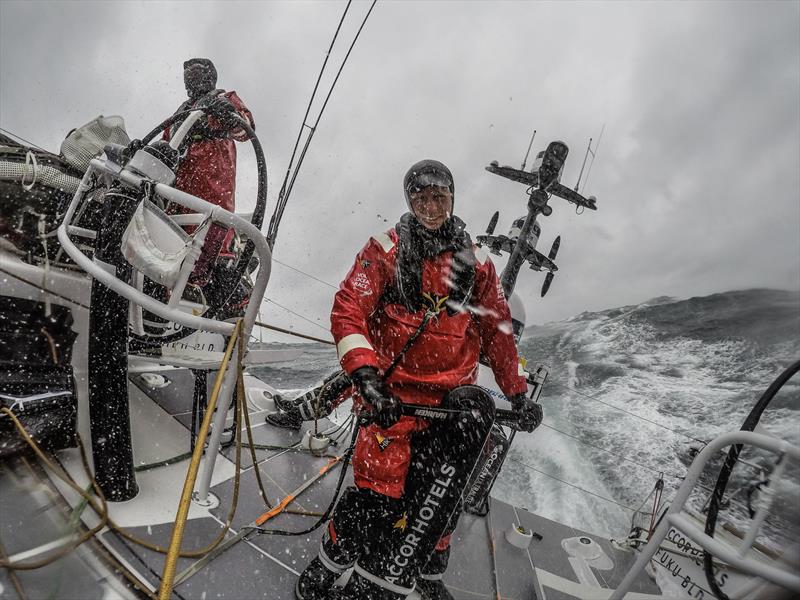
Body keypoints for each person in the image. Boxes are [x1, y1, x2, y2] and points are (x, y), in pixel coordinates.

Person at [295, 159, 543, 600]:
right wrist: (365, 376)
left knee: (440, 503)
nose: (430, 206)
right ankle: (329, 566)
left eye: (439, 196)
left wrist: (518, 393)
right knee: (376, 499)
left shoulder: (477, 264)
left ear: (451, 198)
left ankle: (427, 574)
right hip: (392, 404)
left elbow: (499, 332)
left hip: (452, 409)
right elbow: (348, 308)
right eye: (421, 197)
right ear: (410, 201)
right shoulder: (383, 251)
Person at [163, 58, 255, 284]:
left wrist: (229, 116)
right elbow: (164, 145)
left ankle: (201, 283)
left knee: (208, 241)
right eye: (189, 74)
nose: (193, 78)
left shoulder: (225, 100)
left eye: (199, 72)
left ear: (212, 77)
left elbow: (246, 130)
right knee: (172, 245)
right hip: (177, 192)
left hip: (213, 190)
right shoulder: (179, 114)